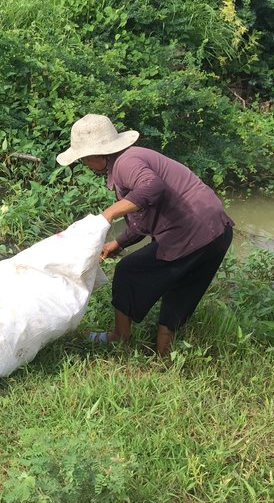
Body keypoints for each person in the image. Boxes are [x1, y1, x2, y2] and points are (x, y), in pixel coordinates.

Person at [57, 114, 234, 356]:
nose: (86, 165)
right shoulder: (132, 158)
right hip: (218, 232)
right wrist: (117, 242)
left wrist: (108, 214)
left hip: (189, 233)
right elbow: (143, 219)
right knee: (183, 287)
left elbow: (152, 187)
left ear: (96, 155)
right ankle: (164, 357)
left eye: (85, 159)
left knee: (128, 271)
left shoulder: (125, 163)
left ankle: (120, 337)